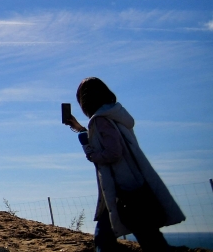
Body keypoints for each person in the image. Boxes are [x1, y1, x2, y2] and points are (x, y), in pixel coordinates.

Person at [63, 77, 185, 251]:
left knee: (108, 238)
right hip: (135, 184)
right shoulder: (116, 116)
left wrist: (91, 154)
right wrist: (80, 129)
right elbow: (107, 141)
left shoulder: (99, 120)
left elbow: (113, 153)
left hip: (122, 189)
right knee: (148, 237)